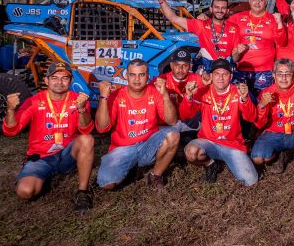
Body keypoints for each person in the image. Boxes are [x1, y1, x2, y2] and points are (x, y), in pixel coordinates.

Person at [3, 62, 95, 214]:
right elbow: (11, 131)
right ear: (46, 81)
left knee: (87, 139)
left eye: (64, 78)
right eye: (55, 78)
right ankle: (41, 177)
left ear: (71, 81)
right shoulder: (34, 101)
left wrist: (81, 110)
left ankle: (82, 193)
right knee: (25, 191)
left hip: (67, 155)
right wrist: (10, 109)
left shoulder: (78, 100)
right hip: (41, 158)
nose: (59, 82)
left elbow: (86, 129)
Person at [95, 59, 180, 190]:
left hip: (148, 144)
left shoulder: (155, 92)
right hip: (123, 149)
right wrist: (103, 97)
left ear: (148, 76)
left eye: (141, 74)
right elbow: (101, 128)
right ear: (126, 76)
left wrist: (165, 95)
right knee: (107, 184)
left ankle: (155, 175)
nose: (137, 79)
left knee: (173, 135)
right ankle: (130, 169)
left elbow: (172, 121)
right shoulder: (116, 95)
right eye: (133, 74)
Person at [180, 59, 259, 186]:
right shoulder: (203, 92)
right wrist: (188, 97)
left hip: (232, 144)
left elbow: (252, 118)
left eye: (225, 74)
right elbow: (185, 115)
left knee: (251, 181)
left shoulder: (238, 92)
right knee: (191, 152)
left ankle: (230, 160)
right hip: (208, 141)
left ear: (231, 76)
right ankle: (210, 164)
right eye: (217, 74)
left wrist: (245, 99)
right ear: (211, 76)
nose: (220, 78)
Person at [251, 58, 294, 180]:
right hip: (274, 133)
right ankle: (277, 156)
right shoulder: (267, 92)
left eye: (288, 74)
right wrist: (262, 105)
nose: (284, 78)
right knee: (257, 158)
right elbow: (259, 124)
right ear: (274, 75)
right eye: (280, 74)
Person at [155, 0, 242, 71]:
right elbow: (173, 18)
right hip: (207, 67)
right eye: (217, 7)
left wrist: (238, 53)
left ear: (227, 10)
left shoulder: (234, 28)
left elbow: (235, 58)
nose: (220, 10)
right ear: (211, 9)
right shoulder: (201, 24)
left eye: (223, 8)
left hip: (225, 68)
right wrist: (162, 1)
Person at [228, 0, 287, 98]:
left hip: (265, 71)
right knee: (241, 101)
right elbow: (221, 27)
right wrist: (206, 18)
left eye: (261, 0)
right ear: (249, 1)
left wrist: (279, 23)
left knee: (263, 103)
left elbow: (282, 42)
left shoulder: (272, 19)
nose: (257, 2)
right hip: (241, 69)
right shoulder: (237, 18)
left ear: (265, 2)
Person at [151, 49, 210, 134]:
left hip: (190, 124)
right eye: (176, 65)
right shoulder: (160, 80)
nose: (180, 69)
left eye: (185, 65)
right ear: (171, 65)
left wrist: (208, 85)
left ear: (190, 66)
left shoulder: (199, 80)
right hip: (167, 125)